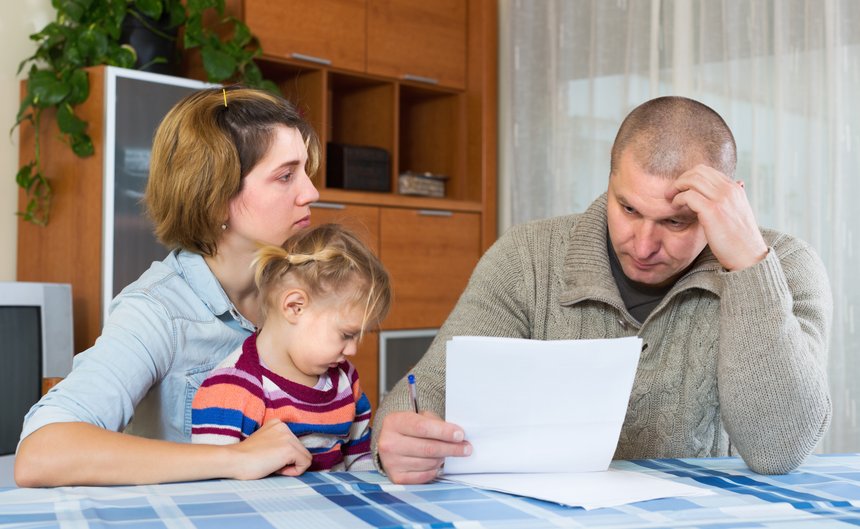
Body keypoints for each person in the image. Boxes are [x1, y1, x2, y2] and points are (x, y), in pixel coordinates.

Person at [371, 96, 833, 484]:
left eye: (676, 221)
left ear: (729, 200)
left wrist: (750, 265)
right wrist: (398, 439)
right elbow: (420, 397)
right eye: (628, 209)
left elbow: (780, 450)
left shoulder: (786, 267)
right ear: (610, 181)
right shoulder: (527, 256)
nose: (645, 245)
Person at [15, 86, 324, 486]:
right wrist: (231, 459)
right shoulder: (157, 311)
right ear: (215, 198)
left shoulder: (307, 288)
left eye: (305, 170)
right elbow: (41, 453)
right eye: (285, 176)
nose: (311, 192)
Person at [191, 223, 391, 473]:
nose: (352, 350)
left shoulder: (345, 380)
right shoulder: (232, 389)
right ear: (295, 307)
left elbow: (360, 459)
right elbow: (213, 476)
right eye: (346, 334)